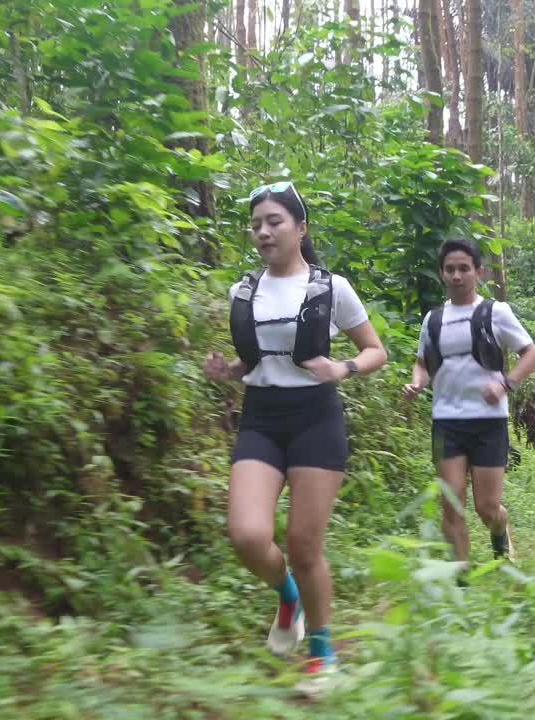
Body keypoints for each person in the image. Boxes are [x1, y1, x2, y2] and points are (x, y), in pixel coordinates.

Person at [203, 182, 387, 691]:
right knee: (246, 536)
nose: (263, 231)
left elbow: (376, 350)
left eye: (275, 221)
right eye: (257, 223)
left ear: (300, 228)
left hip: (315, 419)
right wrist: (229, 369)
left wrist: (343, 367)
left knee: (304, 546)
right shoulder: (242, 291)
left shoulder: (331, 287)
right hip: (261, 417)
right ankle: (288, 598)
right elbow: (254, 361)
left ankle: (323, 653)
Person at [403, 237, 535, 572]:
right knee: (451, 505)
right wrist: (417, 381)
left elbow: (530, 354)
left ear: (478, 271)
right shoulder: (432, 319)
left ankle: (499, 536)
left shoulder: (496, 312)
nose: (457, 276)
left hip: (488, 421)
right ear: (442, 273)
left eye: (464, 268)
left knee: (487, 506)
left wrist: (505, 384)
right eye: (450, 269)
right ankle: (461, 580)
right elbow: (422, 362)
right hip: (445, 421)